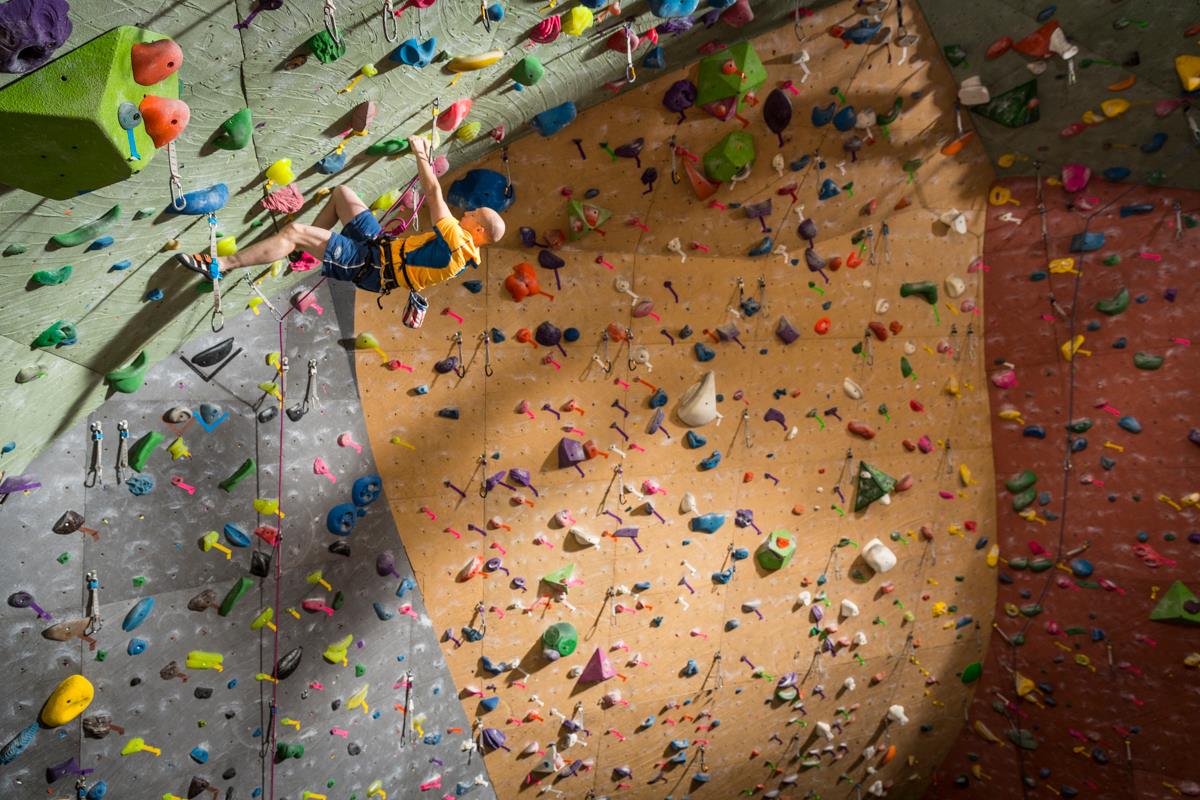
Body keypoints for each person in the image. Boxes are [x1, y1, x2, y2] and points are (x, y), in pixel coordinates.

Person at [174, 136, 505, 306]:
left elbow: (433, 194)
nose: (467, 213)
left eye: (473, 215)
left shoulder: (458, 244)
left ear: (478, 231)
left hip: (369, 267)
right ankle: (304, 251)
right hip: (381, 249)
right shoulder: (461, 247)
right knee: (342, 195)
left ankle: (222, 264)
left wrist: (420, 152)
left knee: (294, 230)